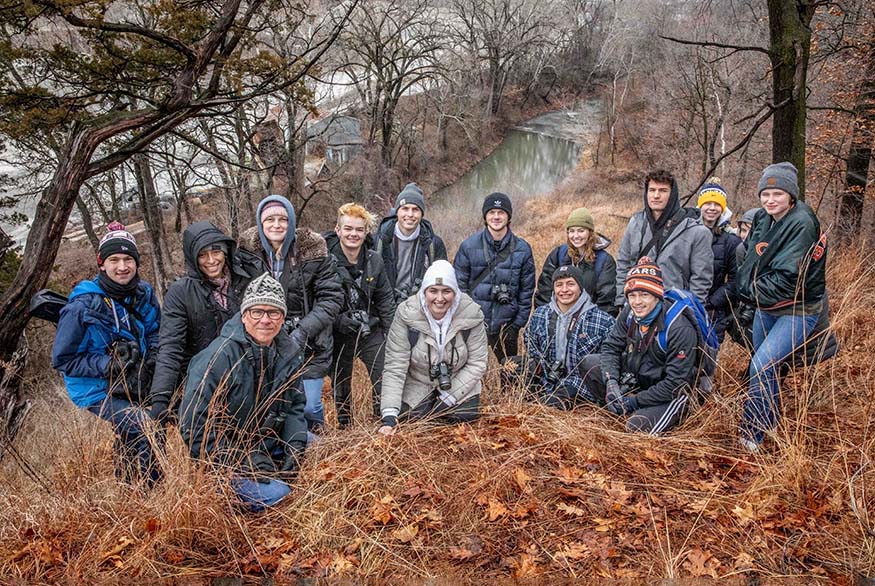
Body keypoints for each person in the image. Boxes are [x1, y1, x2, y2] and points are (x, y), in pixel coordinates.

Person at [180, 273, 307, 512]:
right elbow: (192, 424)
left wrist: (295, 446)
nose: (265, 320)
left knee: (321, 450)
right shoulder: (218, 357)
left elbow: (295, 406)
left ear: (283, 318)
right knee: (280, 494)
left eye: (273, 312)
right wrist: (242, 460)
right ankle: (225, 499)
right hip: (225, 459)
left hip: (269, 444)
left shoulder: (289, 352)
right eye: (257, 312)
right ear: (244, 315)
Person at [52, 222, 161, 485]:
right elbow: (62, 359)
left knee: (146, 424)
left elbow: (156, 330)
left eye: (128, 259)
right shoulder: (82, 306)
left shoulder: (143, 294)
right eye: (114, 260)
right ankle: (150, 492)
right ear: (101, 263)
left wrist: (155, 357)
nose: (122, 266)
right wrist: (108, 364)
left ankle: (127, 484)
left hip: (135, 378)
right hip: (97, 387)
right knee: (145, 426)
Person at [735, 162, 829, 453]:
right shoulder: (764, 218)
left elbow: (789, 279)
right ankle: (772, 423)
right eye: (766, 193)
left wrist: (746, 291)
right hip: (767, 306)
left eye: (778, 193)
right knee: (769, 368)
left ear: (791, 196)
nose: (770, 199)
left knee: (761, 365)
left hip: (797, 310)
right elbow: (751, 257)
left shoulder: (801, 223)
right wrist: (744, 281)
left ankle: (752, 435)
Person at [241, 195, 343, 432]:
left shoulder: (313, 252)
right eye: (269, 220)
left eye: (282, 219)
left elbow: (332, 298)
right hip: (266, 338)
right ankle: (292, 447)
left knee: (309, 405)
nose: (276, 225)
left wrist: (303, 330)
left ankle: (318, 443)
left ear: (291, 222)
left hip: (310, 340)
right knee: (276, 404)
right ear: (260, 223)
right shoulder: (248, 254)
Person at [150, 221, 262, 424]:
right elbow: (170, 347)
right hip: (205, 381)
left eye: (216, 251)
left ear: (226, 251)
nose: (211, 260)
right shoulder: (181, 293)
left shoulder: (245, 280)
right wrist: (160, 397)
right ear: (193, 258)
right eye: (202, 255)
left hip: (249, 377)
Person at [580, 258, 700, 434]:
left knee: (636, 429)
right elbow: (610, 347)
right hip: (640, 378)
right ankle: (619, 408)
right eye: (632, 295)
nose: (637, 302)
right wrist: (611, 382)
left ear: (657, 296)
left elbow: (675, 384)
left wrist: (634, 401)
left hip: (670, 392)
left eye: (644, 295)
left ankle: (644, 413)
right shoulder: (629, 313)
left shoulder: (679, 328)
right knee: (589, 363)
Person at [378, 260, 488, 435]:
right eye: (433, 291)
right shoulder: (406, 315)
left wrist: (448, 398)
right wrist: (389, 414)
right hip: (419, 380)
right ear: (424, 292)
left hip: (457, 377)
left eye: (446, 291)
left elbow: (478, 363)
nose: (439, 298)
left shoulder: (471, 315)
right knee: (411, 420)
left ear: (455, 292)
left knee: (463, 416)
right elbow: (395, 366)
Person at [324, 203, 396, 428]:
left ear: (366, 233)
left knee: (383, 371)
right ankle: (345, 426)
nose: (353, 234)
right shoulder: (325, 260)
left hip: (368, 328)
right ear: (338, 229)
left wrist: (393, 334)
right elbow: (316, 300)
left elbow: (385, 299)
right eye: (348, 229)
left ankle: (382, 419)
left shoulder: (374, 260)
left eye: (358, 230)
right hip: (339, 330)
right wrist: (338, 321)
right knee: (341, 380)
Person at [453, 193, 535, 364]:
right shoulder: (468, 246)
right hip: (475, 323)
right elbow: (459, 286)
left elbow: (527, 292)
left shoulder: (522, 249)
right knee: (471, 370)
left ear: (508, 216)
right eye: (491, 212)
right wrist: (468, 318)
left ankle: (507, 391)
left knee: (509, 371)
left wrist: (516, 325)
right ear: (485, 216)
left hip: (508, 325)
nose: (496, 217)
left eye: (501, 212)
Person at [614, 169, 713, 308]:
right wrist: (622, 302)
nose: (656, 195)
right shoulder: (636, 223)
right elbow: (623, 264)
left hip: (675, 308)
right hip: (638, 307)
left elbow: (701, 280)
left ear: (672, 194)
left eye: (663, 191)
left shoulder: (697, 232)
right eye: (652, 190)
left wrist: (690, 311)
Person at [522, 265, 615, 408]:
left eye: (570, 284)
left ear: (580, 287)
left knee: (550, 405)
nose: (564, 290)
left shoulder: (602, 320)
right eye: (559, 285)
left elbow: (607, 361)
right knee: (511, 366)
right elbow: (531, 345)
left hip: (580, 385)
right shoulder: (540, 314)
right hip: (547, 380)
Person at [534, 207, 617, 315]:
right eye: (572, 231)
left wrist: (592, 324)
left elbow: (606, 300)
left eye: (581, 231)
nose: (576, 236)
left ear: (590, 232)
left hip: (589, 321)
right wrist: (548, 318)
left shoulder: (604, 261)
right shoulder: (558, 254)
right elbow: (544, 291)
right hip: (559, 318)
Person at [374, 183, 448, 302]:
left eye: (415, 210)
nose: (410, 214)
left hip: (420, 306)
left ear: (422, 214)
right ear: (397, 211)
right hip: (385, 305)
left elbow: (442, 280)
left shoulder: (433, 244)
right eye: (405, 209)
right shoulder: (379, 241)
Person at [696, 179, 743, 342]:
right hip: (686, 303)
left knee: (708, 354)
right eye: (707, 203)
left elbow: (735, 279)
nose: (711, 208)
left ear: (723, 208)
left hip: (714, 309)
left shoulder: (731, 241)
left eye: (716, 204)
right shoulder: (686, 234)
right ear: (700, 206)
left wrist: (713, 302)